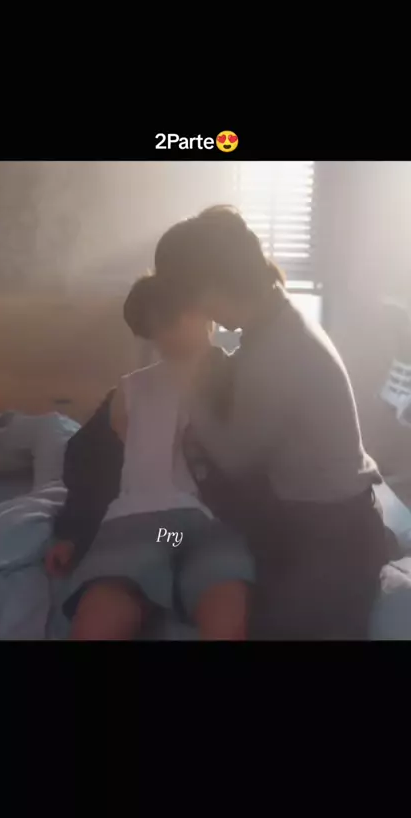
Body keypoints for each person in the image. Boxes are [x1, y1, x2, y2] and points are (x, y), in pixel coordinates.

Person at [154, 205, 389, 640]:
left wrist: (192, 384)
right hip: (287, 513)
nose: (201, 316)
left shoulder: (279, 348)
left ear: (212, 288)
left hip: (329, 529)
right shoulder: (271, 324)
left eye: (191, 301)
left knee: (249, 612)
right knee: (168, 542)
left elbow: (236, 458)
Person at [49, 274, 255, 640]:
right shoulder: (132, 388)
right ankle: (160, 577)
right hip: (153, 528)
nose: (164, 336)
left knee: (224, 605)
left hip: (210, 528)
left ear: (199, 312)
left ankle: (174, 577)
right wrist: (72, 531)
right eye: (154, 328)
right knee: (102, 615)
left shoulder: (241, 380)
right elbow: (88, 464)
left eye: (170, 321)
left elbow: (266, 464)